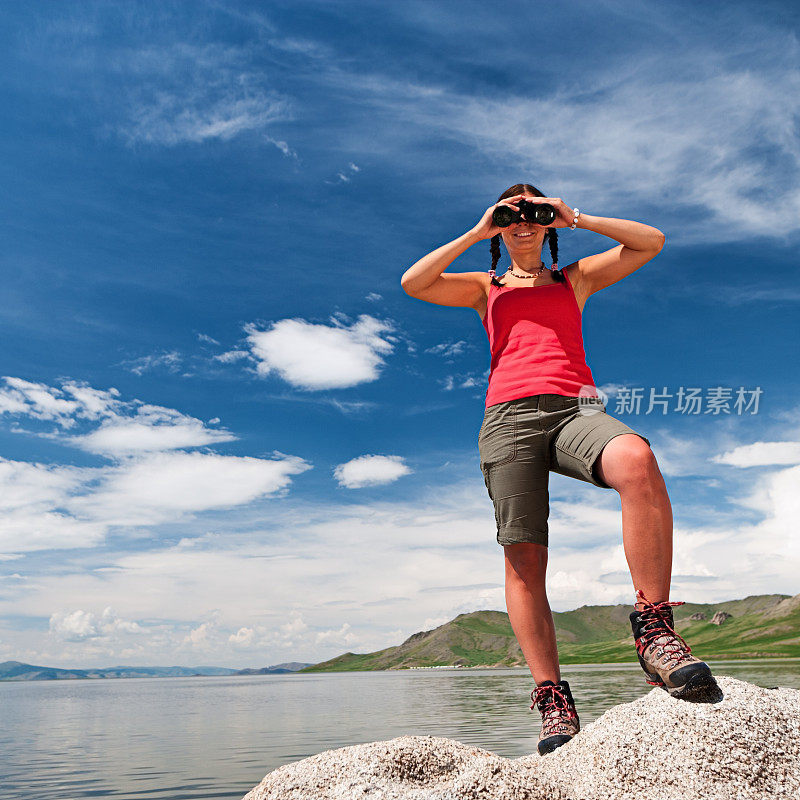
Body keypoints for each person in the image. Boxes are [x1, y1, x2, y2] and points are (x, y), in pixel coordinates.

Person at [400, 183, 718, 756]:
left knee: (636, 459)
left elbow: (652, 242)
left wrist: (577, 218)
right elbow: (414, 283)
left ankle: (654, 632)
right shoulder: (484, 287)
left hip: (577, 408)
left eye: (534, 212)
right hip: (507, 418)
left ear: (547, 223)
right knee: (524, 555)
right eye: (512, 213)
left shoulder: (575, 278)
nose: (523, 220)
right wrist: (480, 230)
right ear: (502, 225)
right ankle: (552, 698)